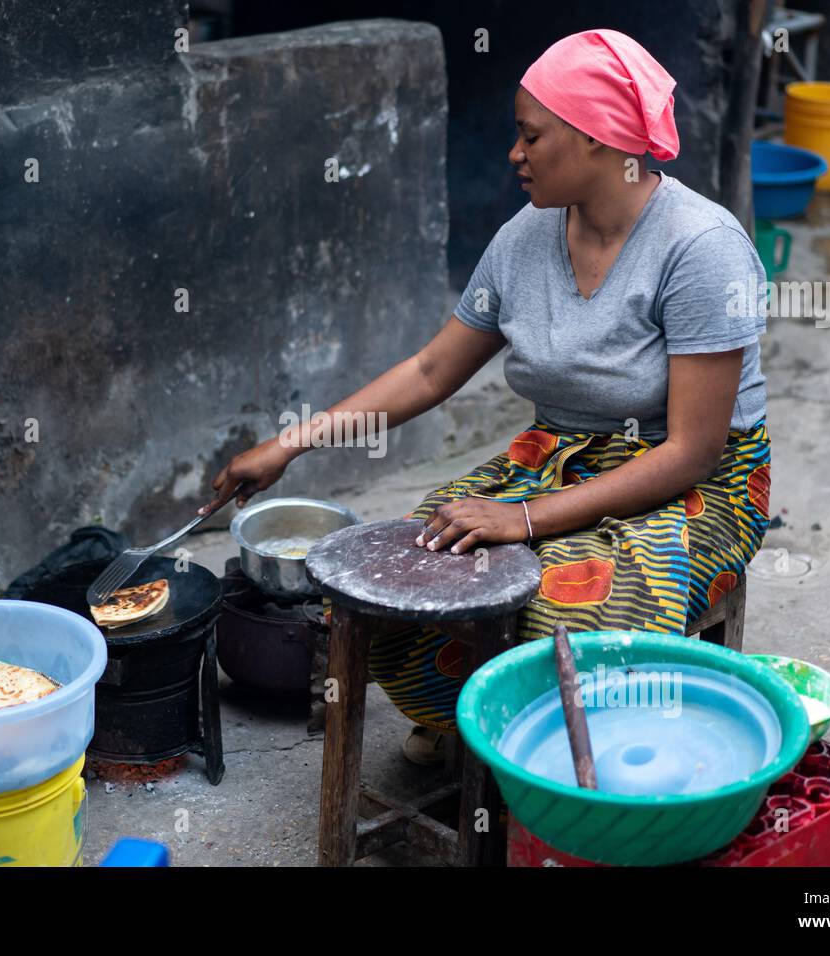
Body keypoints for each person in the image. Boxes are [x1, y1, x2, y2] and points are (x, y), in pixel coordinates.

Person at [200, 29, 771, 765]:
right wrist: (288, 445)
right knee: (396, 570)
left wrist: (524, 519)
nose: (515, 153)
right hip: (558, 458)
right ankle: (479, 723)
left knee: (575, 611)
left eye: (531, 136)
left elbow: (693, 451)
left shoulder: (701, 249)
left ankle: (564, 773)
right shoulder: (525, 238)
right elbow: (434, 371)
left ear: (598, 140)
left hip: (696, 485)